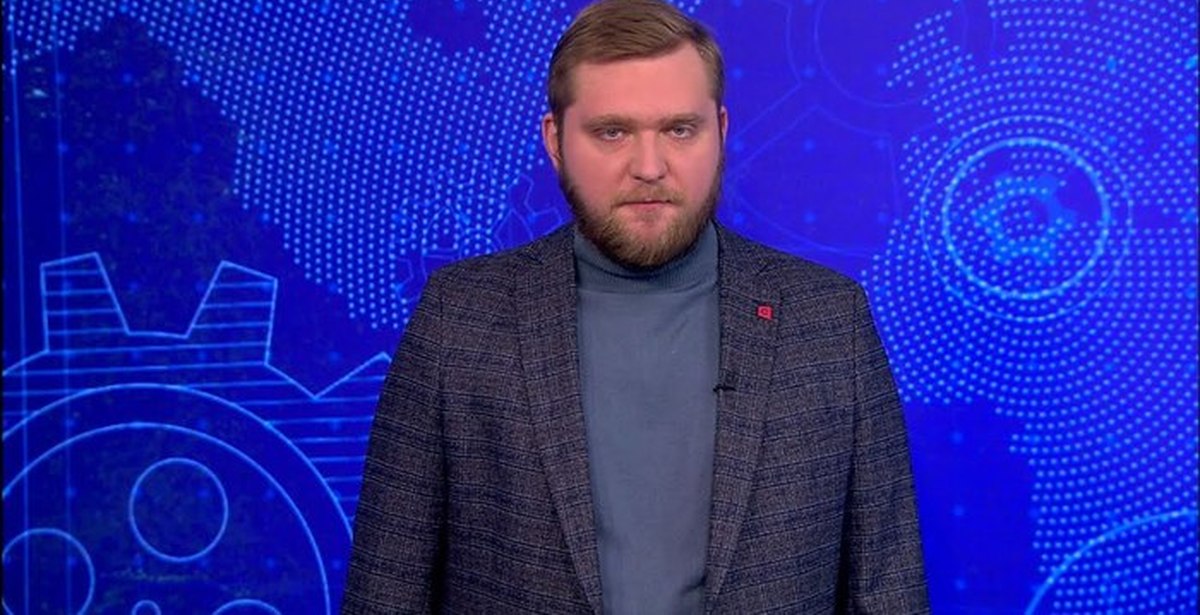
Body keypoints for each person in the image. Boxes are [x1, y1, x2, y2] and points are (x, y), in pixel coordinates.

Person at [342, 0, 929, 612]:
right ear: (555, 141)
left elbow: (889, 595)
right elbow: (386, 592)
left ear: (720, 131)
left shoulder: (830, 323)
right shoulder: (458, 320)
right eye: (612, 132)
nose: (649, 167)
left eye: (679, 130)